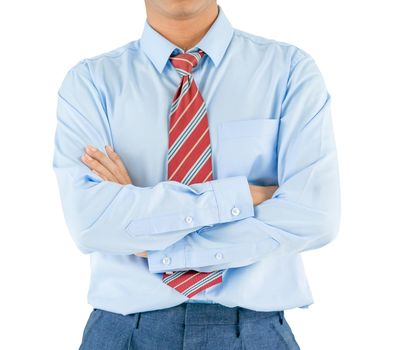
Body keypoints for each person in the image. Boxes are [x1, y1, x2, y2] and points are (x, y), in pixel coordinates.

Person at [52, 1, 340, 349]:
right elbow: (92, 223)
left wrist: (152, 238)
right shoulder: (90, 83)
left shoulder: (289, 71)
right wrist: (239, 198)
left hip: (254, 332)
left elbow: (313, 217)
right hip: (123, 332)